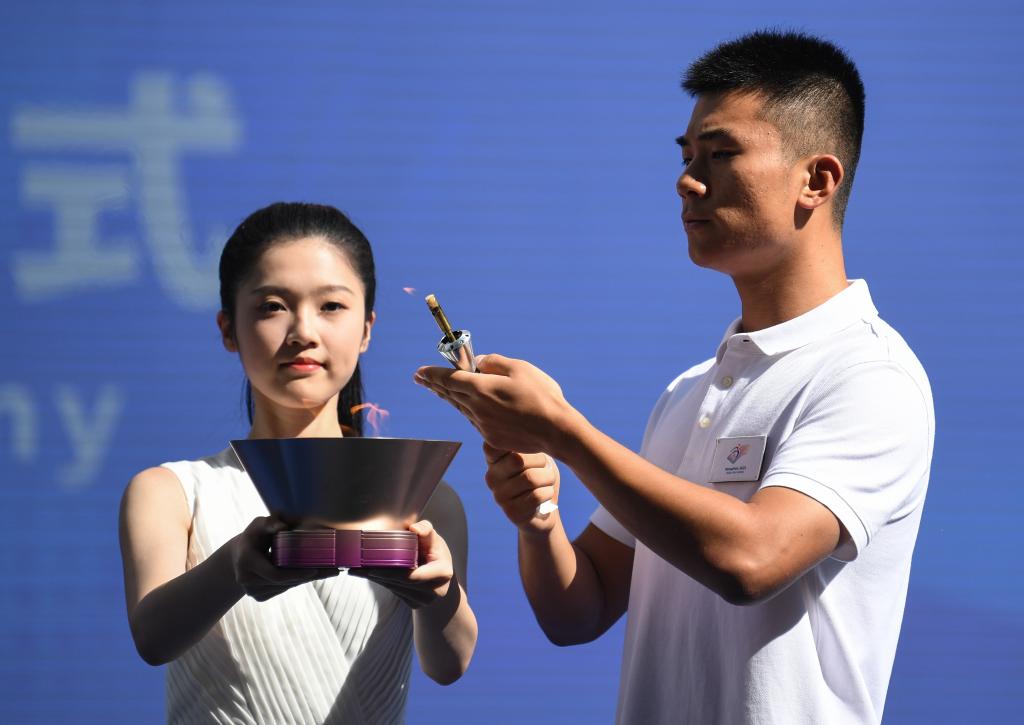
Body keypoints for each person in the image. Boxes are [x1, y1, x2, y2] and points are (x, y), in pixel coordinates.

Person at [414, 30, 933, 724]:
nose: (688, 181)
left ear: (817, 180)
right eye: (687, 156)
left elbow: (751, 560)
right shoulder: (688, 392)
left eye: (720, 154)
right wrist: (539, 519)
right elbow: (579, 609)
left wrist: (564, 432)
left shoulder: (869, 374)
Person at [119, 202, 478, 724]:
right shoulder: (171, 490)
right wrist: (233, 568)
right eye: (272, 306)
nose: (303, 331)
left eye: (331, 306)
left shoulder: (424, 494)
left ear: (367, 328)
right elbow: (153, 638)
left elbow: (449, 663)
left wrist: (439, 594)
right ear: (228, 328)